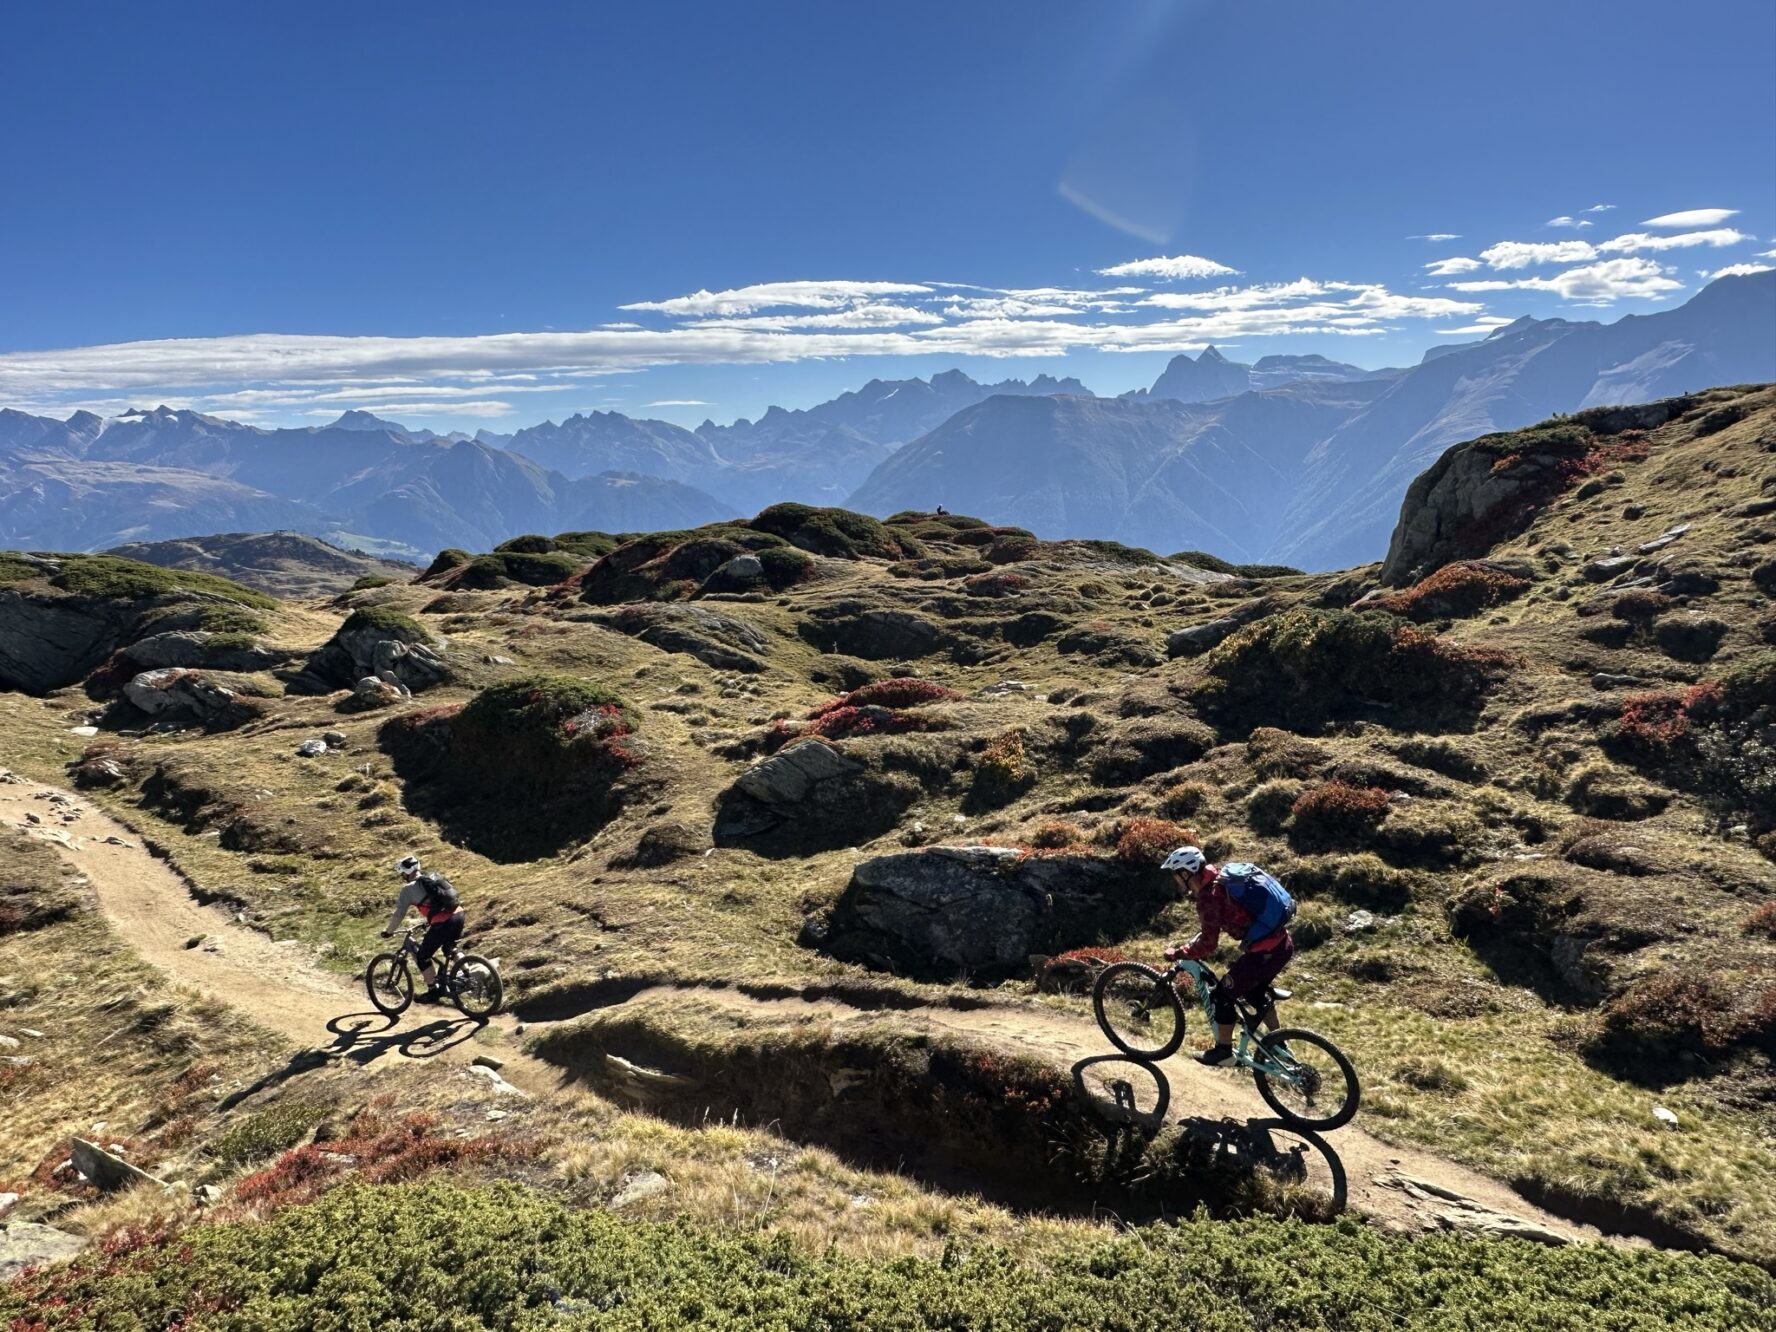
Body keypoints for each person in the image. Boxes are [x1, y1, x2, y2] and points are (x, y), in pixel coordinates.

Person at [1160, 846, 1296, 1066]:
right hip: (1283, 945)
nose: (1175, 880)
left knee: (1221, 996)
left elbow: (1209, 944)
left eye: (1176, 874)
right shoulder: (1222, 877)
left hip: (1264, 953)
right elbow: (1225, 920)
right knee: (1255, 992)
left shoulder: (1208, 898)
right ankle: (1278, 1043)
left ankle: (1224, 1052)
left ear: (1186, 873)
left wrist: (1179, 953)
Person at [382, 854, 464, 1003]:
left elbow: (398, 915)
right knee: (449, 949)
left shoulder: (407, 890)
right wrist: (429, 921)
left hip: (443, 922)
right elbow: (441, 901)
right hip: (458, 915)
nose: (402, 877)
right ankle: (467, 972)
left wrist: (389, 931)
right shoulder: (433, 877)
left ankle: (433, 991)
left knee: (422, 957)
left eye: (402, 874)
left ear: (406, 873)